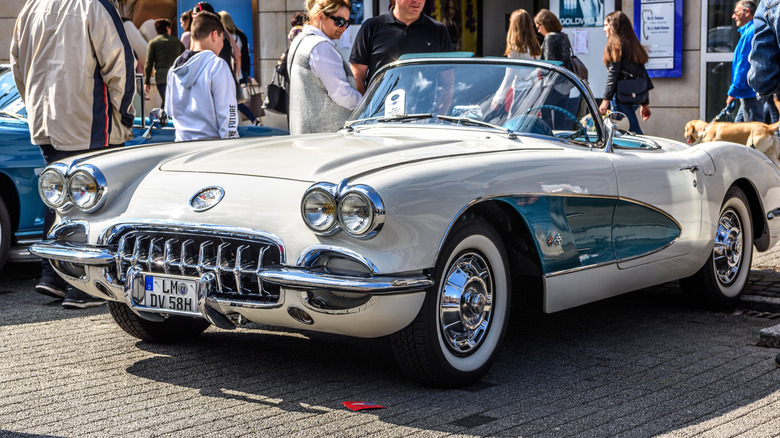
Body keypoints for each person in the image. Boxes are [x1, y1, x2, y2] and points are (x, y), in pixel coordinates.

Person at [10, 0, 136, 308]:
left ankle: (51, 276)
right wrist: (126, 115)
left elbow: (17, 65)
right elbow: (120, 63)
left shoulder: (31, 7)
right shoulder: (95, 5)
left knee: (60, 198)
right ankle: (82, 287)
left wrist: (35, 107)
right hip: (87, 116)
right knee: (92, 202)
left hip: (45, 118)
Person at [288, 0, 362, 134]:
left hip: (305, 134)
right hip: (327, 138)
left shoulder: (300, 40)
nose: (344, 27)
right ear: (321, 17)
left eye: (347, 22)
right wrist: (365, 104)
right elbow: (341, 94)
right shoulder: (321, 46)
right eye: (339, 21)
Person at [349, 0, 453, 94]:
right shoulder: (371, 27)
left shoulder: (439, 30)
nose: (417, 1)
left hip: (425, 112)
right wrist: (365, 109)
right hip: (380, 112)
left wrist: (441, 112)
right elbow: (357, 75)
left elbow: (447, 81)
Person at [166, 11, 239, 141]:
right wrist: (231, 146)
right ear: (214, 35)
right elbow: (229, 115)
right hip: (210, 150)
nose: (222, 45)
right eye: (222, 39)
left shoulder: (174, 69)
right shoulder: (217, 66)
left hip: (181, 146)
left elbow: (170, 111)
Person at [598, 11, 653, 134]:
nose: (604, 29)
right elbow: (642, 73)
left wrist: (605, 100)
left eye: (606, 25)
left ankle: (650, 152)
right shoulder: (633, 45)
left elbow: (613, 74)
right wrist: (644, 103)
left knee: (631, 134)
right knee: (620, 134)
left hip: (620, 98)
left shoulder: (615, 45)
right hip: (634, 97)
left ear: (613, 26)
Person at [491, 9, 542, 112]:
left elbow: (510, 75)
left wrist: (498, 98)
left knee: (514, 123)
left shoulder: (515, 48)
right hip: (535, 89)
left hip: (521, 89)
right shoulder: (535, 45)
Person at [219, 10, 262, 126]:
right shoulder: (241, 35)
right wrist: (247, 72)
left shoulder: (223, 36)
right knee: (238, 99)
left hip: (231, 73)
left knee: (235, 100)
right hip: (242, 74)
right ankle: (253, 120)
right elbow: (247, 56)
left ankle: (253, 120)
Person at [729, 1, 763, 122]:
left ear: (747, 12)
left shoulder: (750, 33)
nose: (733, 16)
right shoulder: (750, 31)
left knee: (753, 133)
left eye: (736, 12)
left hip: (749, 92)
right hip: (748, 92)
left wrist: (733, 92)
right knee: (738, 129)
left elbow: (744, 65)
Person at [145, 18, 185, 108]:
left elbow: (149, 63)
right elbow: (185, 60)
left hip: (161, 78)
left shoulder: (153, 43)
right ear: (167, 28)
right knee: (170, 103)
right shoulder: (177, 42)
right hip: (176, 77)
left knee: (167, 102)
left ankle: (164, 120)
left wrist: (146, 81)